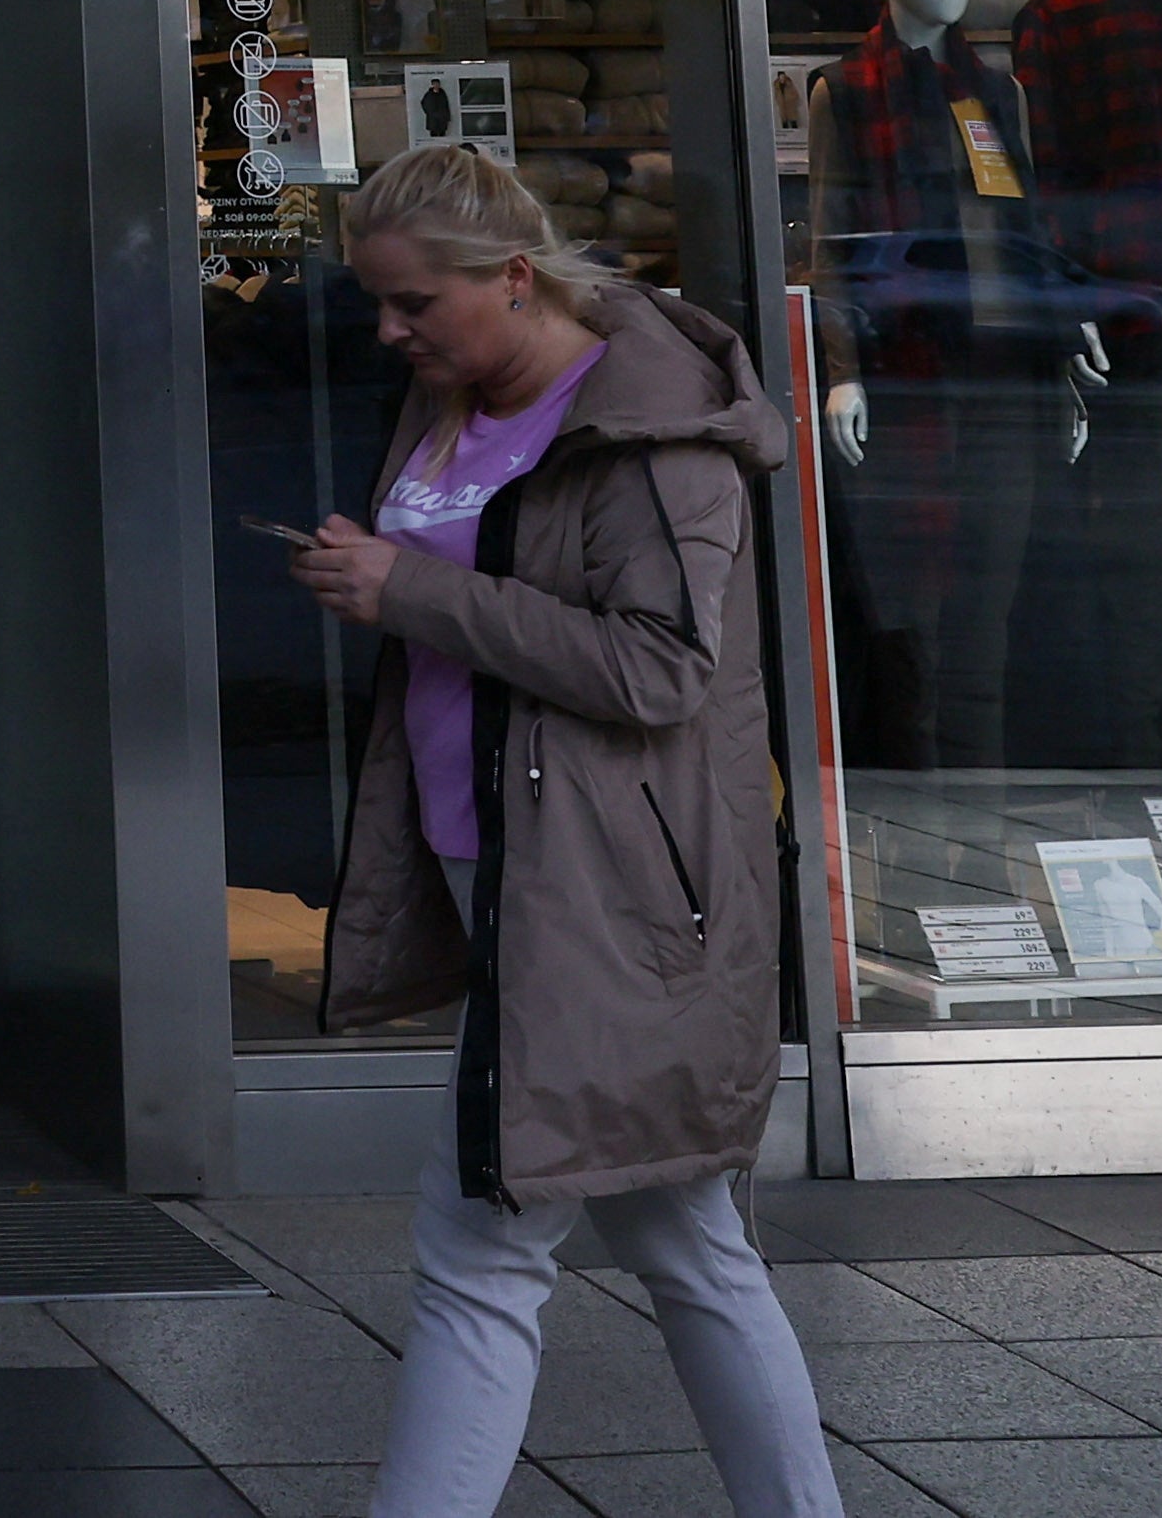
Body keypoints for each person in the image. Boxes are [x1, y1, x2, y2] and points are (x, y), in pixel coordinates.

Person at [284, 146, 839, 1518]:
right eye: (379, 302)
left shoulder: (650, 435)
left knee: (481, 1239)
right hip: (513, 861)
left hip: (606, 890)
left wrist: (410, 588)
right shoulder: (456, 395)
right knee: (688, 1235)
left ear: (514, 278)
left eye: (414, 302)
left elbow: (659, 669)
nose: (391, 332)